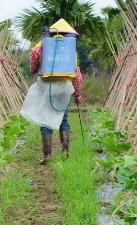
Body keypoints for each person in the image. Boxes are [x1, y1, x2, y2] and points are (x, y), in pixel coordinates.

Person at [28, 19, 83, 164]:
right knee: (63, 120)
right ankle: (65, 152)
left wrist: (35, 69)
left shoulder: (42, 47)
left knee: (46, 120)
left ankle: (47, 155)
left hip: (47, 86)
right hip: (64, 88)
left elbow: (33, 63)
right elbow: (77, 74)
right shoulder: (70, 49)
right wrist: (77, 94)